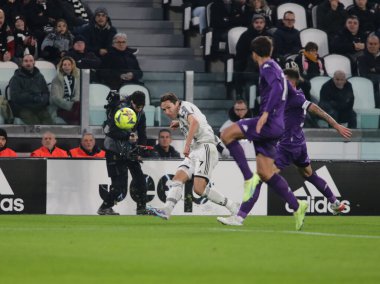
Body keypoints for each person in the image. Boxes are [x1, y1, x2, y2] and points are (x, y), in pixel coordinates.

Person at [217, 68, 352, 226]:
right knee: (308, 173)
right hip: (299, 143)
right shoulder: (285, 96)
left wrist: (335, 125)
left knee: (260, 178)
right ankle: (335, 203)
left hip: (288, 145)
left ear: (292, 82)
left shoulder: (295, 96)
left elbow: (315, 108)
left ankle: (239, 217)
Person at [220, 36, 308, 231]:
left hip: (267, 123)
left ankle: (247, 178)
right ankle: (296, 205)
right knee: (265, 173)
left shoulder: (267, 67)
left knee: (226, 134)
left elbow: (277, 88)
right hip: (276, 127)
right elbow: (286, 90)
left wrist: (266, 113)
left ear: (254, 54)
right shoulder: (277, 67)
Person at [146, 92, 240, 220]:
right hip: (195, 150)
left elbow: (195, 122)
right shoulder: (182, 113)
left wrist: (186, 145)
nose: (167, 112)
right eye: (164, 109)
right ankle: (167, 210)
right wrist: (180, 123)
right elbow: (199, 120)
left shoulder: (184, 107)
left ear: (177, 103)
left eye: (169, 107)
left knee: (199, 189)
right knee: (178, 178)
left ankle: (233, 206)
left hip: (205, 147)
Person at [98, 90, 149, 215]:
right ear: (132, 102)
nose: (139, 109)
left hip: (129, 150)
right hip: (114, 150)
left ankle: (141, 208)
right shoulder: (119, 110)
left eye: (142, 107)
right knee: (118, 185)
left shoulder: (141, 113)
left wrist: (140, 150)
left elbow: (142, 133)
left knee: (140, 180)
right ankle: (104, 207)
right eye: (137, 107)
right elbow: (109, 131)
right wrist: (127, 137)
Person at [9, 54, 53, 125]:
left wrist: (42, 100)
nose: (28, 63)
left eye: (30, 61)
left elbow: (46, 92)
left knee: (49, 125)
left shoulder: (39, 76)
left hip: (40, 107)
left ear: (34, 63)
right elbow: (15, 97)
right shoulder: (16, 78)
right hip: (23, 108)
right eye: (26, 61)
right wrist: (32, 98)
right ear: (22, 63)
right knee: (36, 126)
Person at [49, 56, 81, 124]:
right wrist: (70, 105)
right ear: (61, 67)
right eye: (64, 65)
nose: (67, 67)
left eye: (69, 64)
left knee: (79, 107)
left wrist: (73, 104)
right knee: (77, 113)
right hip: (60, 107)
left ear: (72, 66)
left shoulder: (77, 79)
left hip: (74, 106)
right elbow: (55, 98)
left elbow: (78, 94)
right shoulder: (56, 79)